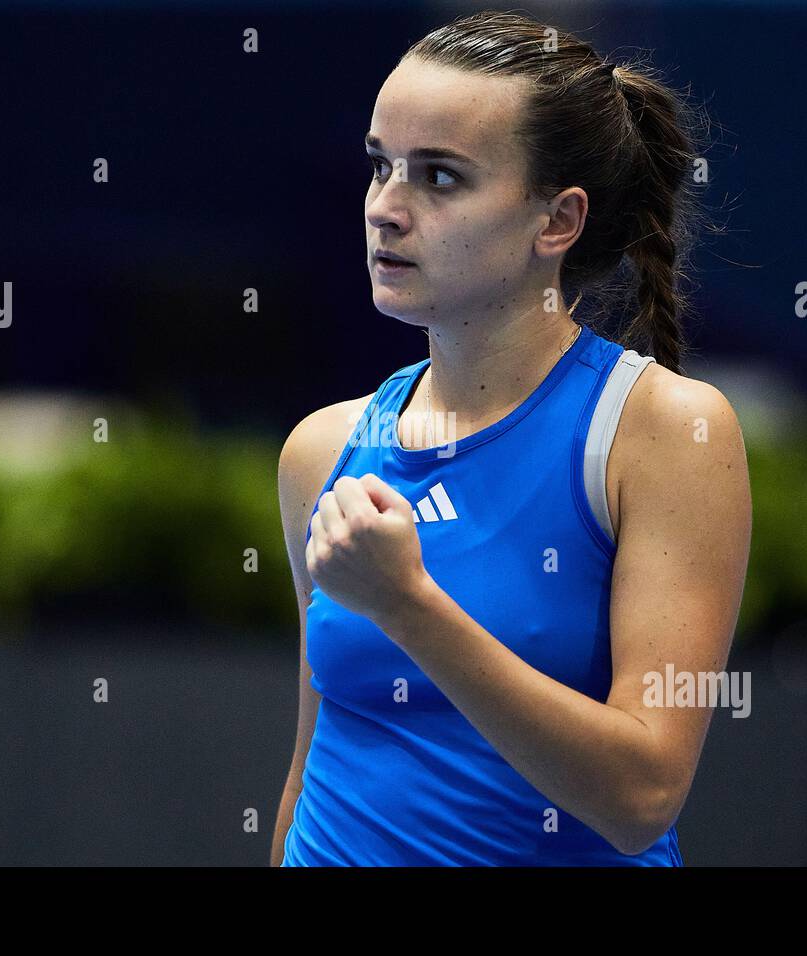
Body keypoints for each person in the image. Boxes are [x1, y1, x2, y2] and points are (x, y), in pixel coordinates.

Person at [271, 10, 751, 866]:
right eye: (380, 165)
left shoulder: (667, 432)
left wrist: (409, 606)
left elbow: (641, 798)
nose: (386, 207)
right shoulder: (322, 448)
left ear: (557, 221)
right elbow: (311, 771)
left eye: (441, 178)